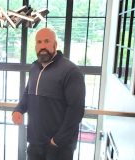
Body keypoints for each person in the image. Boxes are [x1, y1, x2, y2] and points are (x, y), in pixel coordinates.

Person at [12, 28, 86, 160]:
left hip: (59, 147)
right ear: (35, 46)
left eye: (47, 41)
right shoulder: (34, 68)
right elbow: (27, 94)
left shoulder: (71, 71)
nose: (43, 46)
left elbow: (76, 110)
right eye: (39, 42)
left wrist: (57, 140)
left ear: (55, 45)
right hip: (35, 143)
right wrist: (18, 110)